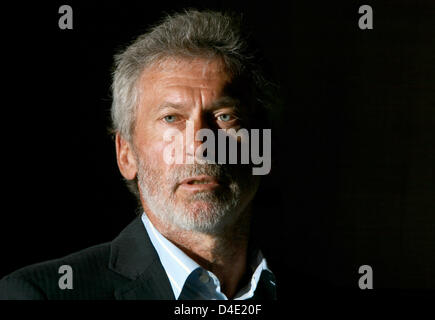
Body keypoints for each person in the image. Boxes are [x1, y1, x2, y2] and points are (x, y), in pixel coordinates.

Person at [0, 9, 278, 300]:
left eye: (224, 116)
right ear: (126, 154)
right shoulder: (41, 294)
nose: (200, 146)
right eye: (171, 118)